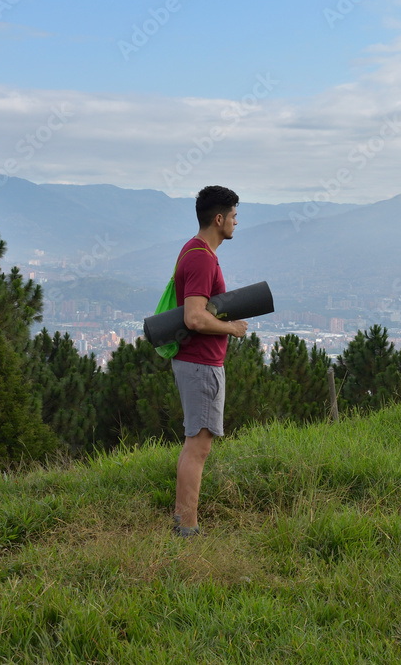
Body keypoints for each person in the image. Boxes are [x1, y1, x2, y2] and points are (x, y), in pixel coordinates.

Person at [171, 185, 248, 537]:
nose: (236, 221)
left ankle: (181, 521)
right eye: (233, 215)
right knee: (199, 445)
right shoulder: (202, 257)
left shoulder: (194, 249)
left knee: (194, 443)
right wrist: (231, 328)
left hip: (196, 362)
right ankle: (187, 528)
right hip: (201, 364)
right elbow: (195, 318)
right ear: (218, 219)